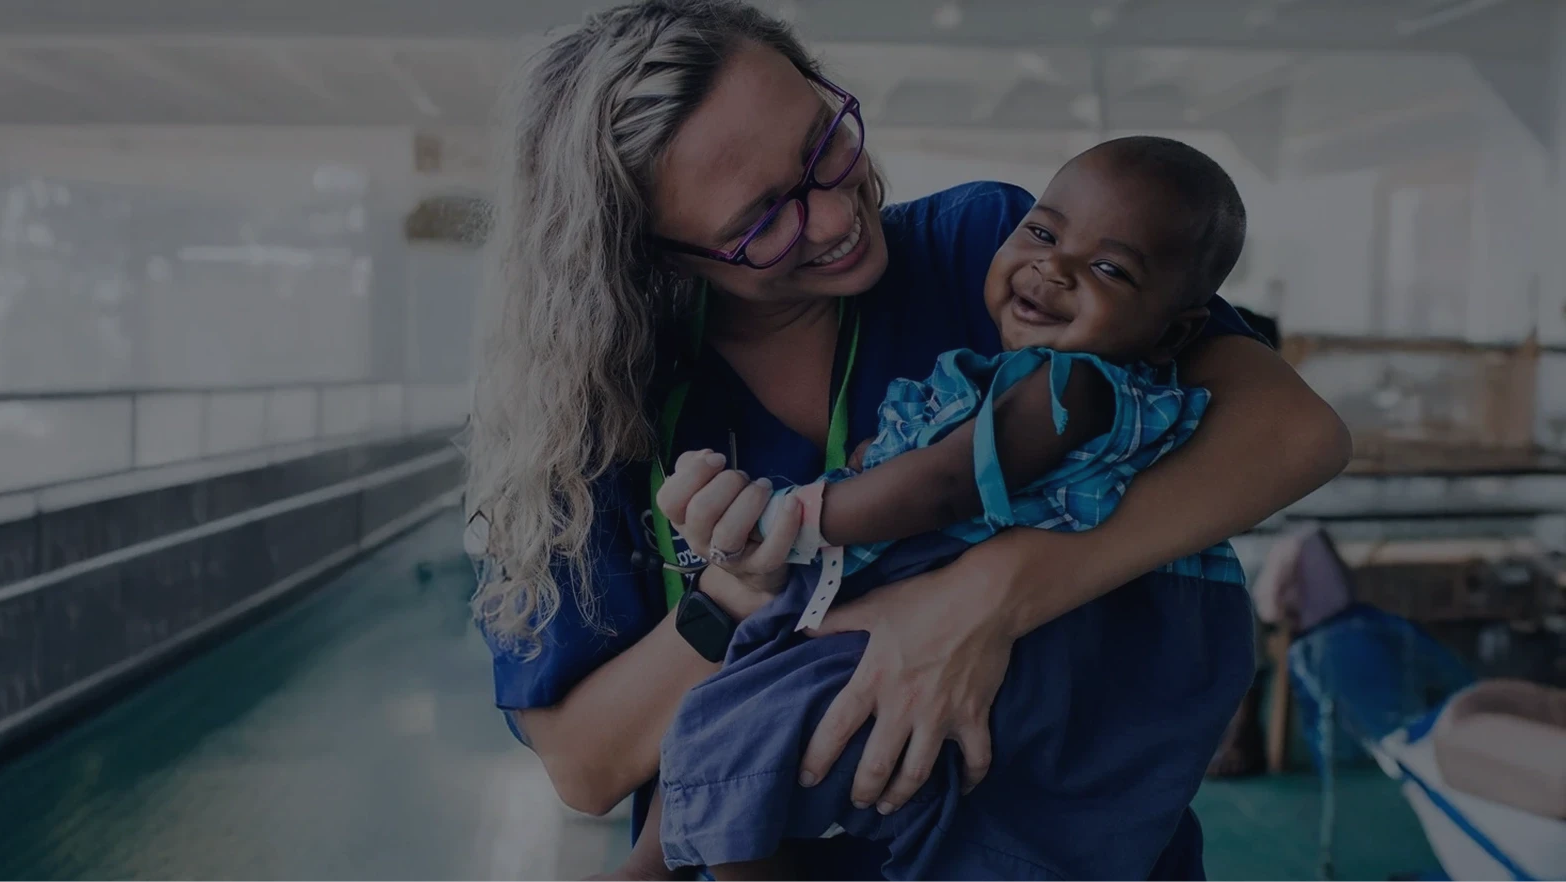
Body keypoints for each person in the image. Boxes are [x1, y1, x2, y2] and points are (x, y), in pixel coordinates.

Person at [462, 2, 1353, 880]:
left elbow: (1291, 432)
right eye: (761, 221)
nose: (835, 214)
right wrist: (733, 593)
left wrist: (984, 600)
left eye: (824, 141)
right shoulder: (595, 411)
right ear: (649, 254)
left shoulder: (992, 255)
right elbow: (583, 765)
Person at [598, 136, 1259, 882]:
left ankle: (662, 867)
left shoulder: (1078, 389)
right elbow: (895, 457)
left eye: (1109, 268)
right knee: (729, 705)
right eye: (1042, 233)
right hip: (915, 590)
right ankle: (657, 865)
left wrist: (800, 515)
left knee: (773, 720)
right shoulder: (996, 377)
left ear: (1172, 330)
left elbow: (943, 485)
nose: (1054, 267)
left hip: (1047, 633)